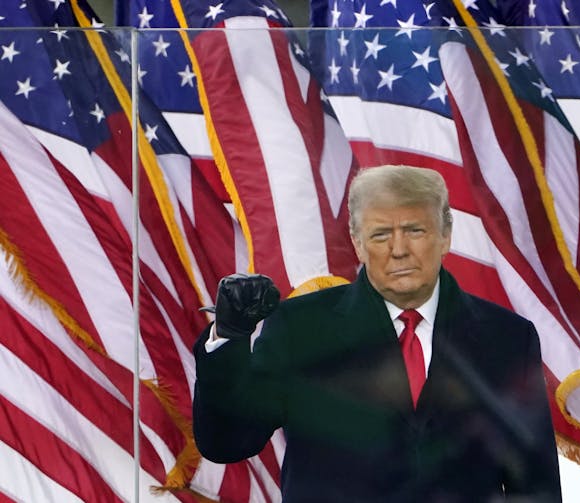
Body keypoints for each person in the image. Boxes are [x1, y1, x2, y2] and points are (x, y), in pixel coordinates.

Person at [193, 165, 561, 502]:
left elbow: (533, 483)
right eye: (381, 234)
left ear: (446, 236)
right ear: (357, 242)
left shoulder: (507, 337)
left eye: (415, 230)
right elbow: (226, 441)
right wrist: (230, 335)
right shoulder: (301, 327)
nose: (398, 250)